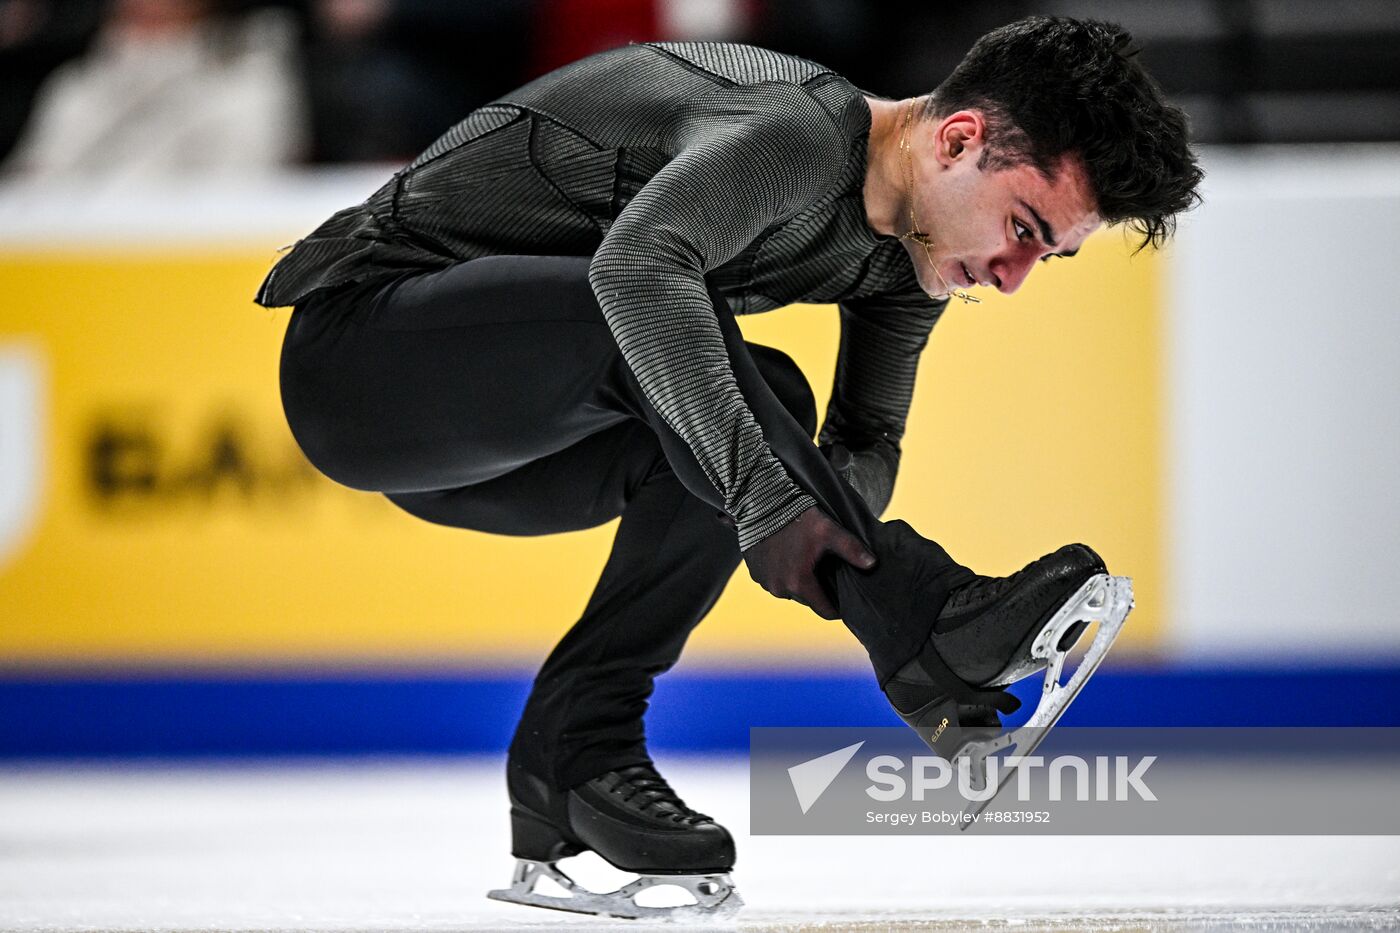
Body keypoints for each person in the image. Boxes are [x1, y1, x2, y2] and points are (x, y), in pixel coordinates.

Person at [256, 15, 1201, 918]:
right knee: (678, 340)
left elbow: (860, 453)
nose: (1011, 276)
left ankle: (575, 751)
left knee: (749, 407)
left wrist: (822, 548)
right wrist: (836, 557)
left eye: (1051, 258)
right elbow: (637, 270)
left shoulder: (910, 258)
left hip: (497, 446)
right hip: (361, 367)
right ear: (956, 141)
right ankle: (928, 629)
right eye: (1025, 229)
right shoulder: (791, 131)